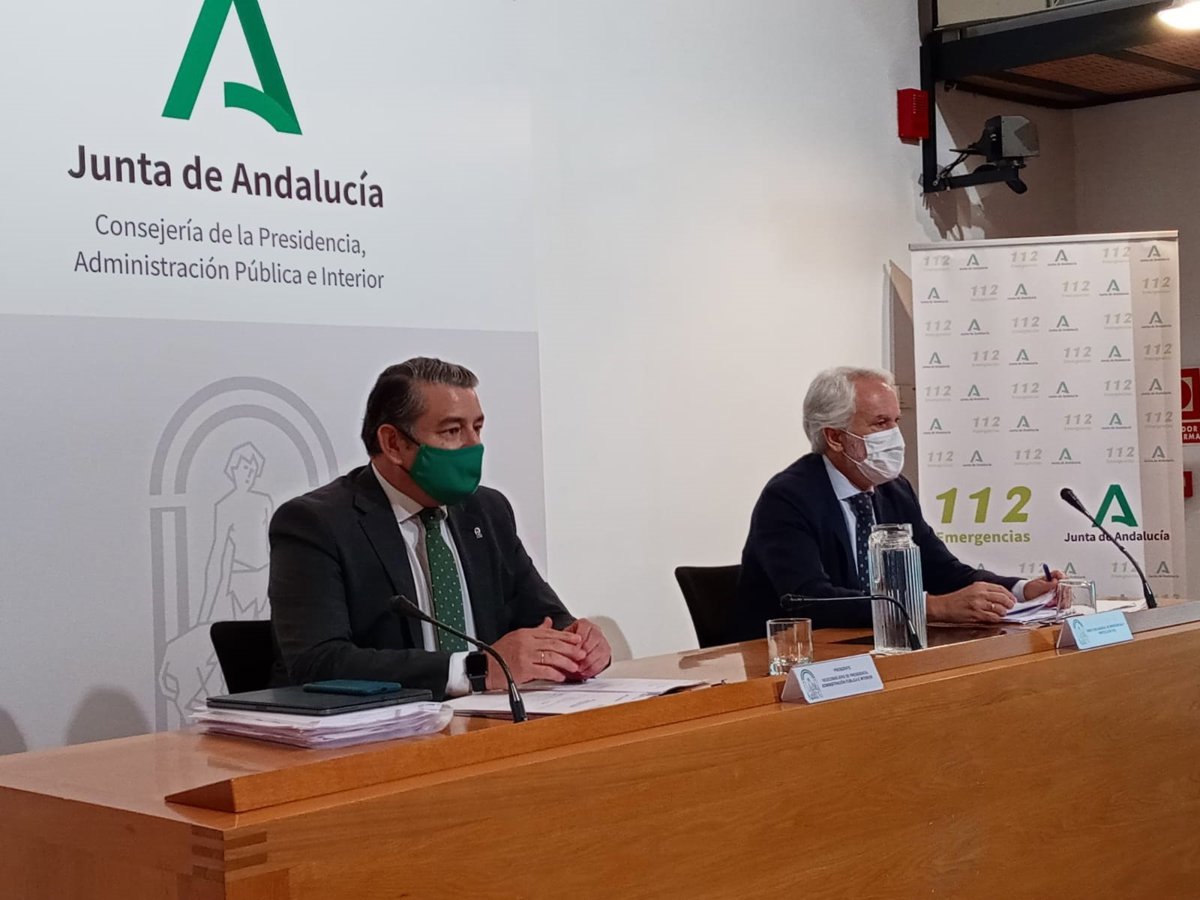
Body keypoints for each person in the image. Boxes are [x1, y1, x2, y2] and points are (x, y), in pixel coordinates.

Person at [269, 357, 611, 699]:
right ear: (393, 443)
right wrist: (475, 669)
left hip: (490, 720)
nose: (473, 445)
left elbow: (544, 616)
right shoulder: (316, 523)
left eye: (477, 428)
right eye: (452, 431)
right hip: (390, 725)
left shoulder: (488, 511)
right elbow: (318, 661)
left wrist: (579, 643)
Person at [733, 366, 1061, 640]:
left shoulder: (894, 489)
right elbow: (808, 599)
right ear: (835, 437)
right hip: (795, 656)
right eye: (880, 423)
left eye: (895, 421)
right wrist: (931, 607)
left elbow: (941, 570)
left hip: (877, 644)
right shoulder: (789, 497)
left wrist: (1020, 590)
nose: (893, 435)